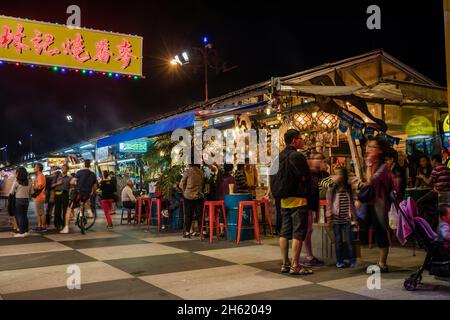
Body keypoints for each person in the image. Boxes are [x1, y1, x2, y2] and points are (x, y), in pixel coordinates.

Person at [273, 129, 313, 275]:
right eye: (301, 138)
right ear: (295, 140)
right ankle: (295, 265)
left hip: (283, 199)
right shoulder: (297, 155)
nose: (302, 140)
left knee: (284, 231)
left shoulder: (279, 156)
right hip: (298, 199)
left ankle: (285, 264)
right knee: (298, 232)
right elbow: (306, 177)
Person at [356, 135, 397, 273]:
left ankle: (382, 263)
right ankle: (358, 259)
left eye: (373, 147)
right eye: (369, 146)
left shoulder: (383, 166)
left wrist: (368, 165)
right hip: (368, 202)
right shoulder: (371, 163)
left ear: (380, 150)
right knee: (361, 229)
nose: (369, 149)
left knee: (380, 232)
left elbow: (370, 180)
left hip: (379, 204)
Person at [326, 167, 357, 268]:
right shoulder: (332, 188)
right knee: (338, 241)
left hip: (348, 219)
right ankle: (339, 260)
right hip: (336, 219)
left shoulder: (349, 187)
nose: (336, 176)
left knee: (350, 240)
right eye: (335, 174)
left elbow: (352, 202)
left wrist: (354, 216)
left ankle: (352, 259)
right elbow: (329, 203)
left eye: (338, 174)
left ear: (344, 176)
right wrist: (329, 216)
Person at [301, 152, 326, 267]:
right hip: (303, 204)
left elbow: (316, 192)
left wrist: (315, 209)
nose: (321, 162)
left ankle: (308, 255)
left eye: (322, 160)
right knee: (307, 230)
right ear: (311, 160)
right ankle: (309, 256)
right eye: (319, 159)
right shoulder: (306, 173)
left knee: (308, 230)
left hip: (310, 205)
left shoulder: (321, 174)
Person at [417, 154, 450, 230]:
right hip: (446, 194)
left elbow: (428, 182)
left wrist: (422, 177)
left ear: (434, 160)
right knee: (430, 203)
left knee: (419, 202)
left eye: (431, 161)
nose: (431, 162)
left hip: (437, 192)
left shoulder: (436, 169)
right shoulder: (447, 168)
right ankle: (434, 216)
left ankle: (434, 214)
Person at [179, 164, 204, 238]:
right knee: (200, 215)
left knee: (188, 215)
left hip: (188, 196)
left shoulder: (188, 172)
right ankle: (202, 232)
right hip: (198, 196)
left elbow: (181, 184)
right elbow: (202, 184)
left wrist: (184, 191)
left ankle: (187, 233)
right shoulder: (200, 172)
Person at [215, 164, 237, 237]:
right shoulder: (232, 179)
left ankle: (221, 230)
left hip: (220, 200)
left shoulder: (219, 178)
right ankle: (231, 228)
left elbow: (216, 189)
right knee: (231, 211)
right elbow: (235, 190)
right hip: (230, 200)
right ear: (231, 169)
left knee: (222, 213)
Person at [11, 167, 33, 237]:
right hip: (26, 200)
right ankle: (26, 231)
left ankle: (21, 232)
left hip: (19, 200)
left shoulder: (16, 182)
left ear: (19, 173)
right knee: (24, 215)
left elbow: (11, 192)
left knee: (20, 216)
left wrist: (16, 191)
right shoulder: (29, 182)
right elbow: (32, 192)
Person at [52, 164, 71, 230]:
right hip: (57, 193)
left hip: (65, 194)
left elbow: (71, 187)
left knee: (65, 210)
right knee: (57, 209)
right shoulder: (57, 176)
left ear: (67, 170)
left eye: (64, 168)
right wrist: (58, 183)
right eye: (62, 168)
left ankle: (64, 224)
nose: (63, 169)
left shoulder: (69, 178)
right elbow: (52, 185)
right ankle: (57, 223)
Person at [32, 163, 47, 233]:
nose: (34, 168)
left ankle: (43, 226)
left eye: (35, 167)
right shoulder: (39, 175)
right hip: (39, 196)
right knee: (39, 212)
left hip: (40, 196)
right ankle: (39, 225)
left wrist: (34, 187)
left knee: (41, 212)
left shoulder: (40, 175)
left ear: (38, 168)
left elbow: (40, 186)